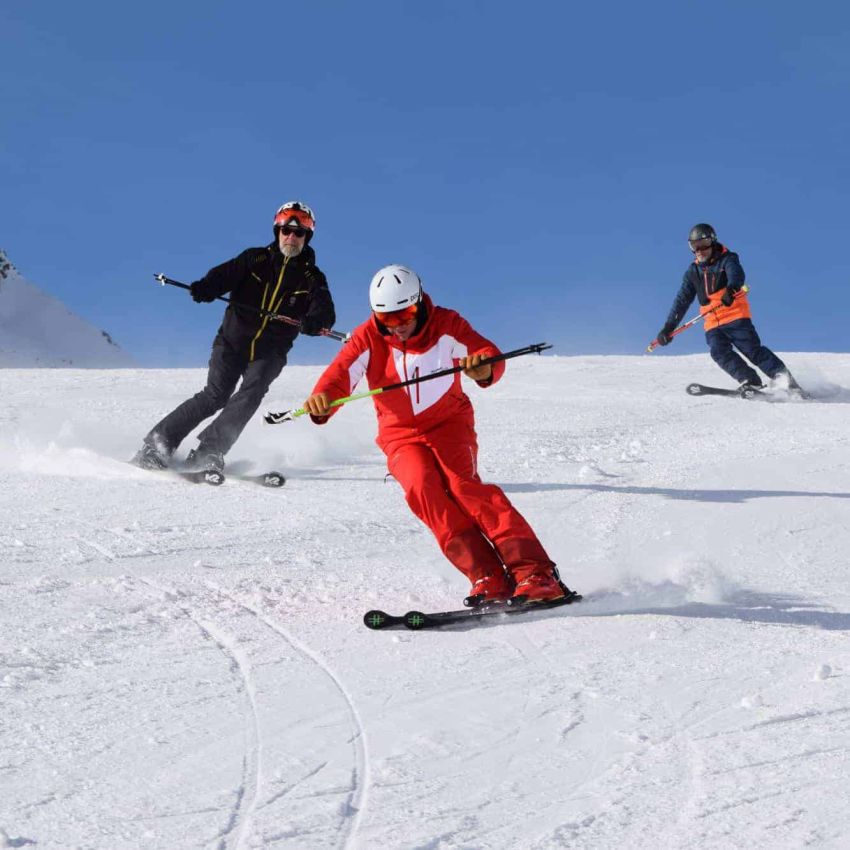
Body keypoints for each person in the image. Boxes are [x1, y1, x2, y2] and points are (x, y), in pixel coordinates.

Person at [302, 264, 577, 606]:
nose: (399, 325)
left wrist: (484, 367)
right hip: (399, 434)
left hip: (449, 423)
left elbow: (484, 352)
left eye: (405, 313)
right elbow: (339, 375)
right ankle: (486, 575)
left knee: (464, 488)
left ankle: (535, 572)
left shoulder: (446, 324)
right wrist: (322, 401)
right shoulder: (367, 337)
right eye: (388, 318)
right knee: (423, 490)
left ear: (419, 303)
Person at [132, 201, 336, 473]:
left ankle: (209, 451)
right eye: (286, 230)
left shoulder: (312, 277)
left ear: (306, 237)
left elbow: (324, 309)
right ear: (277, 231)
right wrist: (206, 287)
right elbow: (223, 275)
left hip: (270, 352)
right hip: (232, 342)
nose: (291, 237)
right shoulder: (255, 259)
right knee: (214, 395)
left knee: (251, 394)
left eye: (299, 233)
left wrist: (315, 322)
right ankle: (157, 445)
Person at [655, 223, 802, 394]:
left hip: (735, 316)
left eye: (703, 245)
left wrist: (731, 289)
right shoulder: (692, 272)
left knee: (752, 350)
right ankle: (750, 380)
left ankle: (787, 382)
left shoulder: (727, 259)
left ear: (712, 242)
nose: (699, 250)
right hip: (712, 323)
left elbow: (736, 275)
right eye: (695, 246)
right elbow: (681, 301)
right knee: (719, 352)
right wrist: (668, 328)